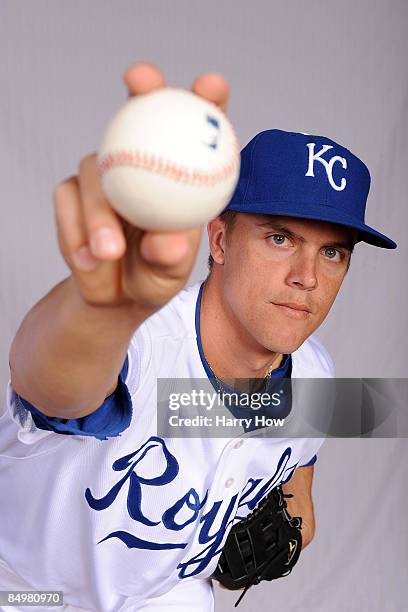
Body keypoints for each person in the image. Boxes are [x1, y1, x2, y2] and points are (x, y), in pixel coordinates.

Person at [0, 63, 396, 612]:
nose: (307, 275)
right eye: (281, 238)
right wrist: (99, 311)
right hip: (26, 594)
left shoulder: (313, 375)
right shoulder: (138, 344)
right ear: (220, 240)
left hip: (165, 598)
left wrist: (286, 539)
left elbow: (299, 500)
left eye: (333, 252)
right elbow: (48, 384)